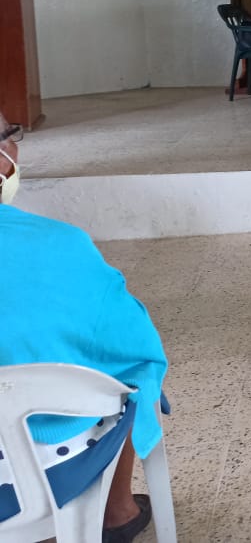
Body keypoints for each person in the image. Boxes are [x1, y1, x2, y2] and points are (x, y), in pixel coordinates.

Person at [0, 112, 166, 542]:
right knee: (129, 375)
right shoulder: (57, 244)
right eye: (10, 135)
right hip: (33, 472)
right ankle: (116, 513)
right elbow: (135, 348)